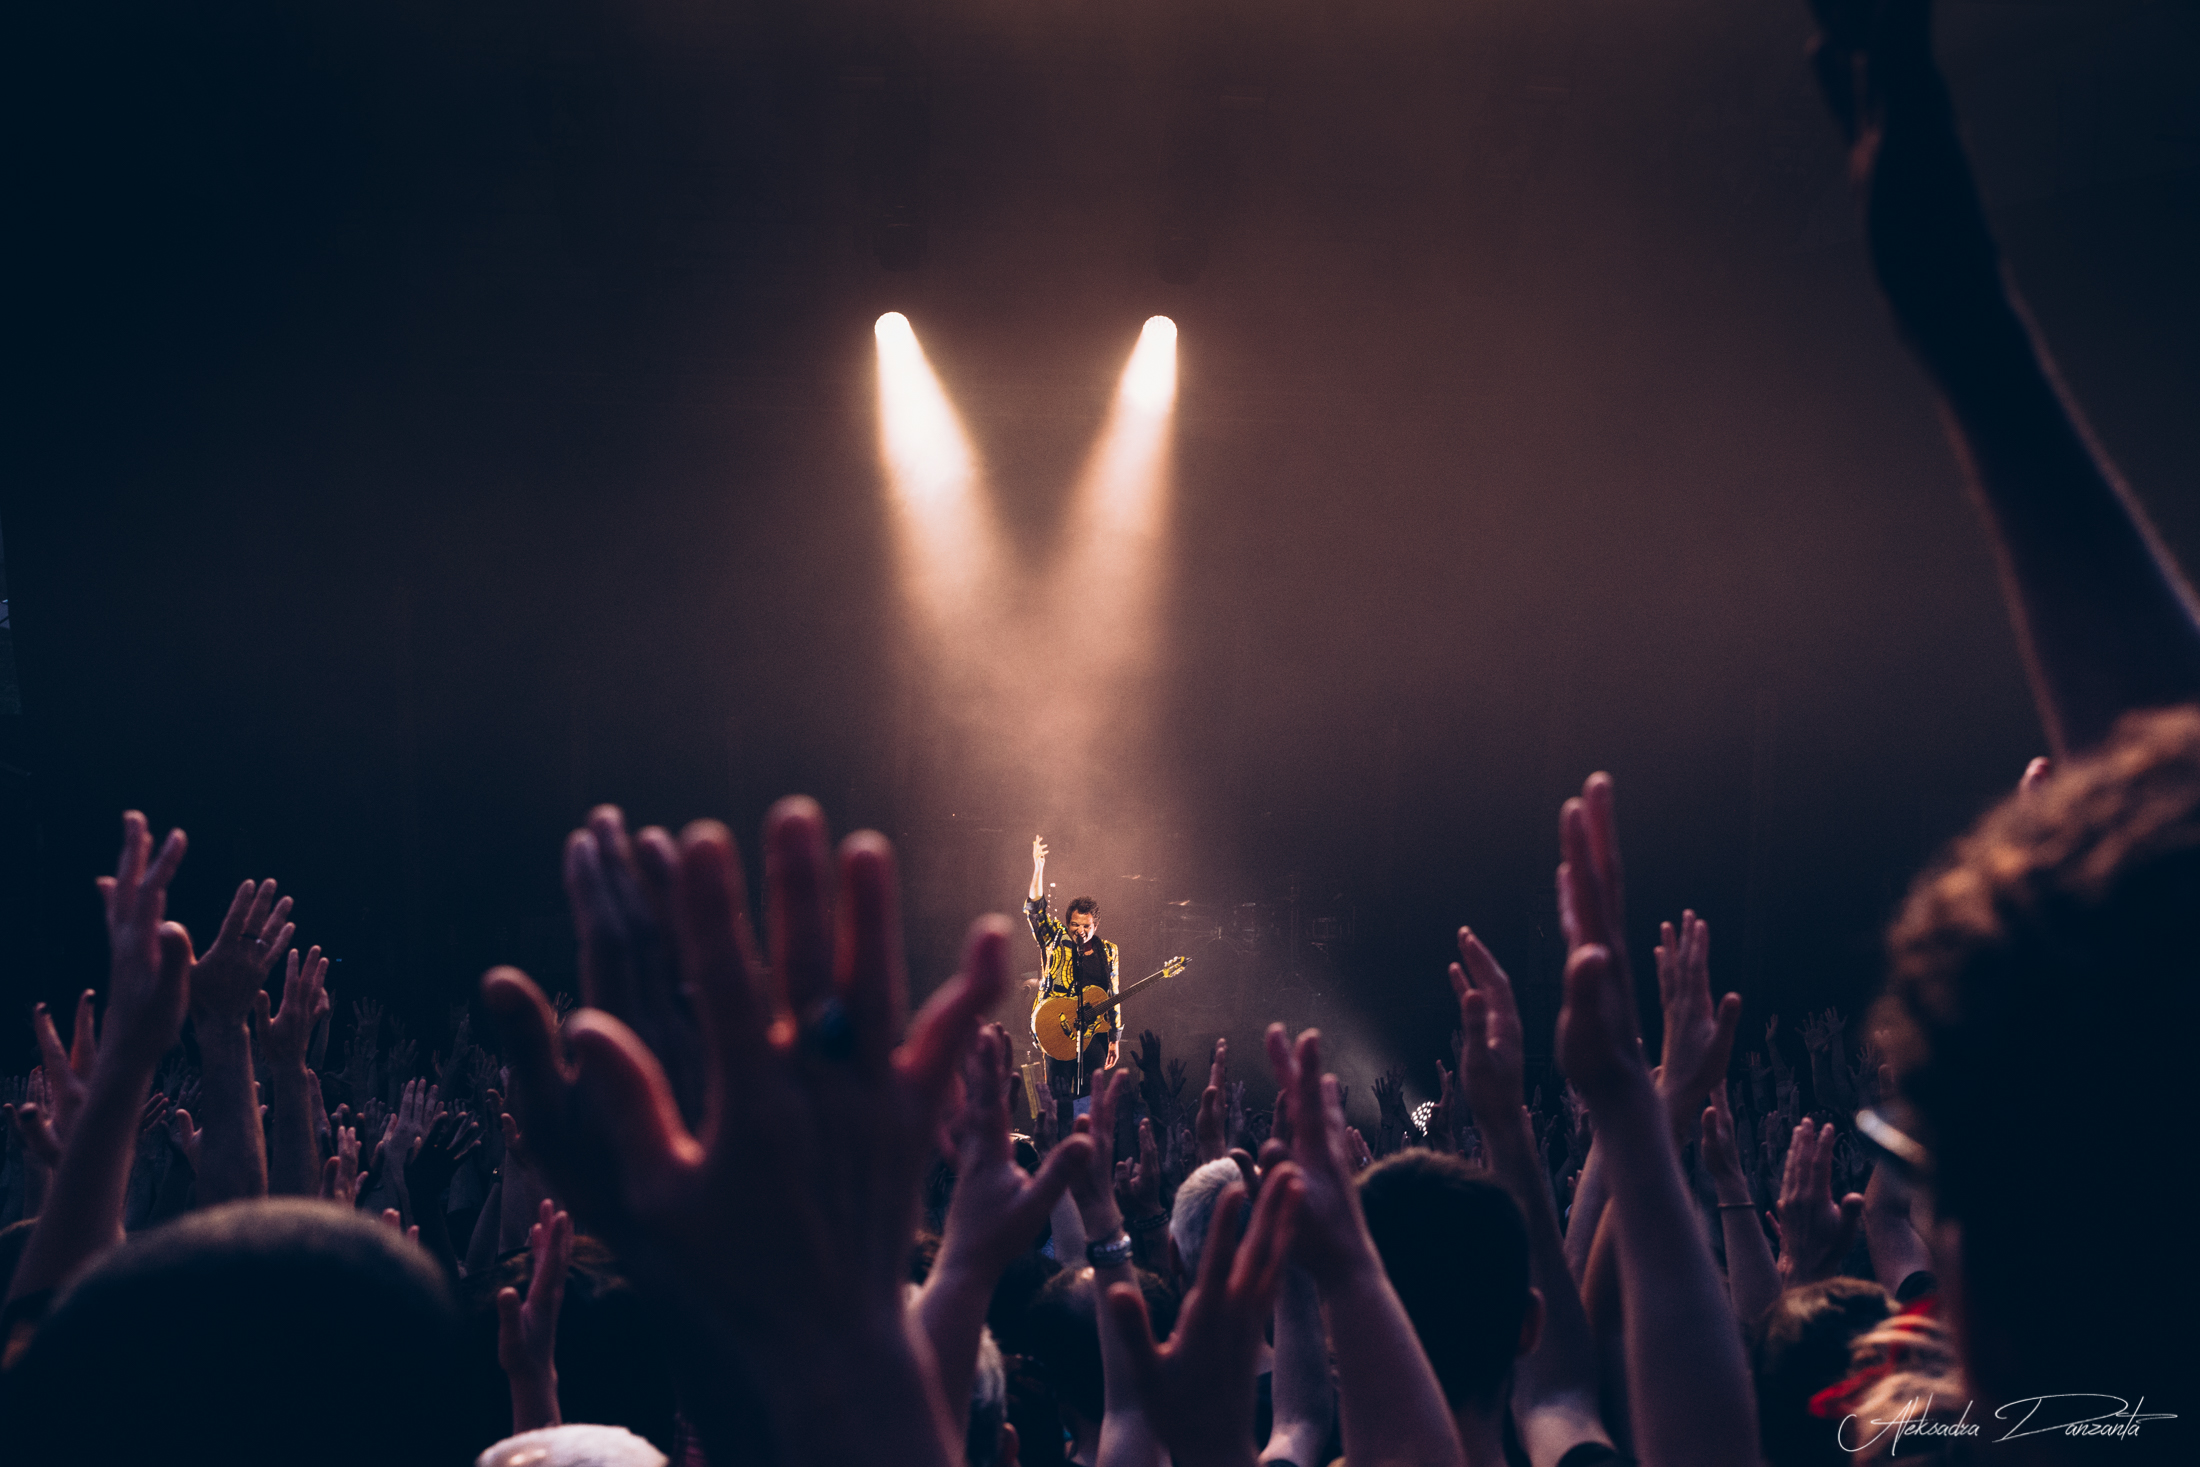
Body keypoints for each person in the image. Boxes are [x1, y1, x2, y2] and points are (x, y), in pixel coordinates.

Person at [1026, 835, 1121, 1097]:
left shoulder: (1108, 951)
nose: (1080, 931)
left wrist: (1114, 1038)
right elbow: (1035, 911)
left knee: (1090, 1098)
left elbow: (1113, 995)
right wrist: (1038, 868)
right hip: (1058, 1030)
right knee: (1058, 1097)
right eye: (1074, 925)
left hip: (1094, 1035)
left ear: (1096, 926)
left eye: (1086, 926)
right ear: (1067, 924)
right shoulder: (1056, 939)